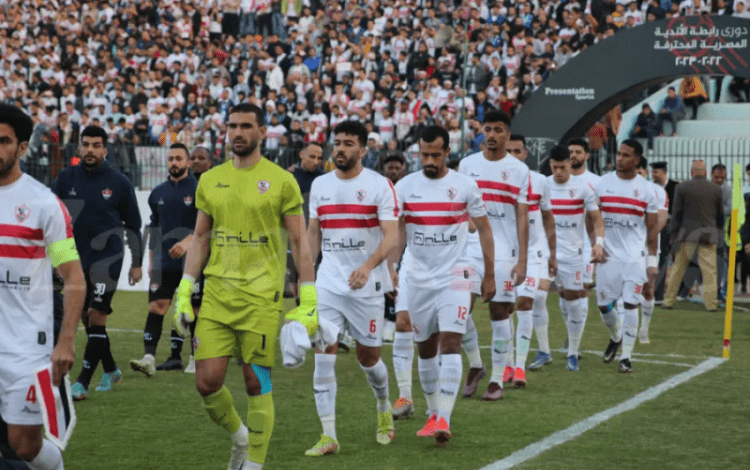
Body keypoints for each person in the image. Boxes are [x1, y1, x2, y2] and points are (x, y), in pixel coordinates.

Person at [171, 102, 317, 470]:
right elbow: (201, 237)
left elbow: (300, 243)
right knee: (206, 383)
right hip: (218, 295)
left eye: (246, 126)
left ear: (262, 132)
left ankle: (254, 462)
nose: (238, 132)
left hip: (261, 299)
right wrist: (186, 288)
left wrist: (308, 295)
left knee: (256, 382)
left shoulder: (282, 180)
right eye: (232, 126)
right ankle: (240, 436)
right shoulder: (210, 178)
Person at [395, 125, 495, 445]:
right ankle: (432, 409)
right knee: (425, 348)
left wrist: (490, 274)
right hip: (418, 277)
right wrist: (391, 269)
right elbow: (396, 232)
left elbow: (484, 229)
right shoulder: (405, 187)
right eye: (424, 154)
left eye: (436, 154)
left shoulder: (465, 186)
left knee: (451, 341)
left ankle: (444, 419)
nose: (430, 160)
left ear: (447, 153)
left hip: (457, 273)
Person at [305, 121, 400, 456]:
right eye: (338, 142)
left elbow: (391, 235)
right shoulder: (320, 185)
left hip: (367, 286)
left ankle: (384, 406)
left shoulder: (379, 185)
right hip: (329, 282)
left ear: (363, 149)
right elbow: (313, 233)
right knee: (323, 355)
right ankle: (328, 435)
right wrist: (306, 277)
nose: (341, 149)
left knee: (369, 359)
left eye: (348, 143)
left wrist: (367, 266)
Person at [0, 103, 85, 470]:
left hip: (26, 348)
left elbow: (75, 278)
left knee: (24, 446)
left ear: (21, 148)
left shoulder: (45, 205)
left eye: (2, 141)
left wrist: (65, 341)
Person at [52, 125, 143, 401]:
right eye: (86, 144)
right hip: (75, 260)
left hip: (108, 259)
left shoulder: (119, 182)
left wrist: (136, 263)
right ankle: (112, 369)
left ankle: (82, 382)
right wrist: (55, 259)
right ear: (79, 147)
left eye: (96, 145)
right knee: (87, 321)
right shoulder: (66, 178)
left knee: (95, 315)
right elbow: (55, 219)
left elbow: (134, 225)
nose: (90, 149)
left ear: (105, 149)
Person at [457, 110, 529, 400]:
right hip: (467, 250)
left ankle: (498, 379)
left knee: (499, 314)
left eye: (498, 130)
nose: (492, 135)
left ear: (507, 135)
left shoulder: (519, 171)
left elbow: (522, 217)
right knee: (457, 312)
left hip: (503, 252)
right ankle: (476, 364)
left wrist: (523, 259)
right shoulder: (466, 164)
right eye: (488, 129)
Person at [129, 143, 198, 376]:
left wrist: (189, 241)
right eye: (170, 159)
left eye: (179, 158)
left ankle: (195, 358)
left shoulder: (200, 189)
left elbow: (207, 226)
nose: (174, 163)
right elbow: (154, 228)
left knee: (194, 310)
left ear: (188, 163)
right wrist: (150, 260)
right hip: (164, 262)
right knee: (157, 307)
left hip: (193, 263)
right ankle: (149, 357)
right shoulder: (157, 192)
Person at [594, 139, 660, 373]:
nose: (619, 158)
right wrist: (596, 245)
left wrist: (651, 261)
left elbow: (652, 230)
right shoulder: (602, 184)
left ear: (636, 160)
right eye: (619, 154)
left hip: (634, 258)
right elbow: (593, 218)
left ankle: (627, 357)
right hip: (607, 258)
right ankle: (616, 335)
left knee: (632, 305)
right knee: (603, 307)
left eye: (625, 155)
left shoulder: (646, 190)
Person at [547, 145, 605, 371]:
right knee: (534, 299)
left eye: (563, 167)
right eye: (555, 167)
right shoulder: (544, 186)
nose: (559, 172)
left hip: (575, 253)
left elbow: (597, 219)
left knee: (573, 298)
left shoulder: (584, 187)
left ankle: (573, 351)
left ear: (570, 165)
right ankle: (543, 351)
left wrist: (598, 244)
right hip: (546, 252)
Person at [506, 135, 556, 385]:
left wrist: (552, 253)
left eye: (517, 151)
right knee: (503, 310)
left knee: (526, 302)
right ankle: (506, 363)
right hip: (505, 254)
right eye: (509, 151)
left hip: (534, 253)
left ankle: (519, 367)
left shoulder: (539, 181)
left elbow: (548, 217)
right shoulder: (495, 181)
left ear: (526, 154)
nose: (513, 156)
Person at [663, 160, 723, 312]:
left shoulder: (681, 187)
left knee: (678, 269)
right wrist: (718, 232)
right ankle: (711, 305)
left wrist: (674, 234)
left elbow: (676, 213)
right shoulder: (715, 189)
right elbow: (720, 215)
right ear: (706, 172)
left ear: (691, 172)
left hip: (687, 234)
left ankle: (668, 301)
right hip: (708, 234)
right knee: (710, 271)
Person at [565, 138, 601, 352]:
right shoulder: (557, 180)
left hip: (586, 244)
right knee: (564, 293)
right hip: (562, 245)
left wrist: (598, 243)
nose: (574, 155)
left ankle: (574, 342)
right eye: (571, 151)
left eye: (578, 151)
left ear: (587, 155)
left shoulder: (596, 182)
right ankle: (571, 333)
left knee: (583, 289)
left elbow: (600, 216)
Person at [635, 157, 668, 344]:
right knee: (628, 287)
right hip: (628, 247)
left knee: (648, 286)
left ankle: (644, 329)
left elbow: (661, 220)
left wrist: (648, 237)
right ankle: (625, 328)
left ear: (645, 173)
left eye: (640, 172)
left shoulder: (658, 191)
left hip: (650, 245)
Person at [381, 154, 407, 344]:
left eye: (397, 168)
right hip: (378, 243)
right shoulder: (380, 188)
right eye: (390, 168)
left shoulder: (406, 189)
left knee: (396, 286)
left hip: (401, 246)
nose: (394, 171)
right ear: (384, 169)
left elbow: (401, 225)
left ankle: (391, 324)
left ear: (403, 169)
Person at [650, 161, 678, 302]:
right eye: (653, 172)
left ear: (664, 172)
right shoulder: (650, 187)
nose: (653, 174)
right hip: (653, 227)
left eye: (656, 172)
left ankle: (660, 295)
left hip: (669, 229)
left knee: (664, 261)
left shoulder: (675, 187)